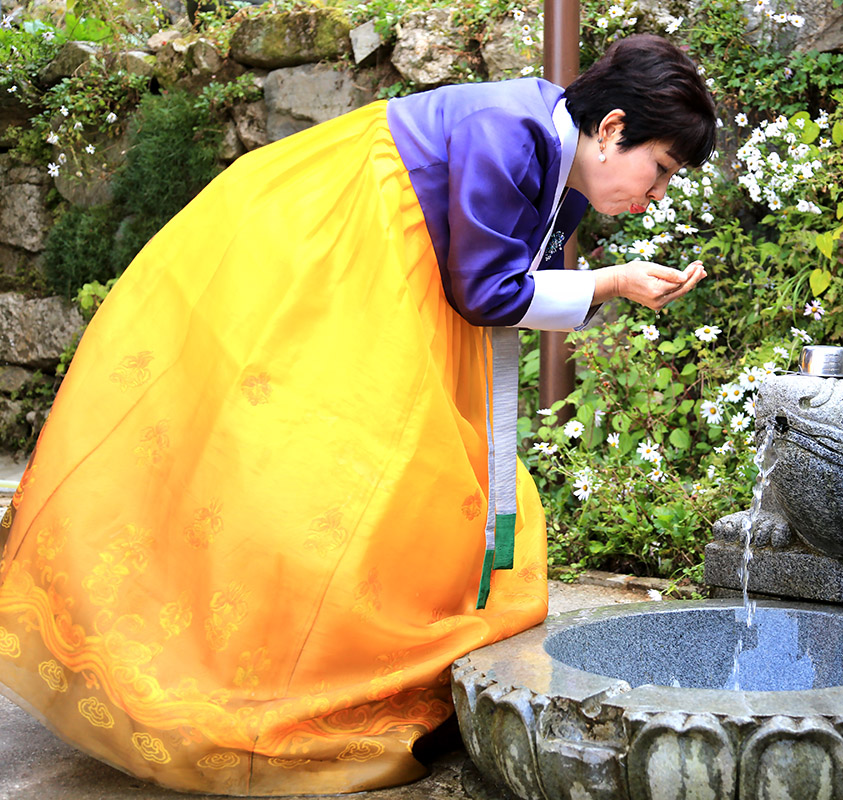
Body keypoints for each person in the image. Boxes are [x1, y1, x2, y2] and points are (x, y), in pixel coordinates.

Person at [0, 33, 716, 795]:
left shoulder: (554, 155)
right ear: (611, 129)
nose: (656, 195)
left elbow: (508, 280)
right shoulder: (508, 132)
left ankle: (325, 658)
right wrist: (610, 283)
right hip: (333, 247)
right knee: (310, 465)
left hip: (383, 260)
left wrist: (609, 281)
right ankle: (244, 670)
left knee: (394, 478)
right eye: (661, 170)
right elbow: (487, 291)